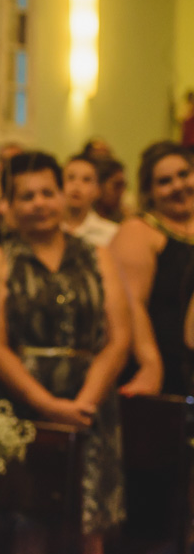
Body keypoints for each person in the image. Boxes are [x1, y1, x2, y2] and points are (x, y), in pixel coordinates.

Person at [0, 152, 130, 553]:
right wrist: (46, 404)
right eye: (26, 196)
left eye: (48, 192)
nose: (39, 203)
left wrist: (84, 403)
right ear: (8, 206)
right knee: (28, 527)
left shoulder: (97, 255)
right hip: (23, 409)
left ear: (63, 197)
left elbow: (119, 337)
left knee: (87, 523)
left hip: (90, 407)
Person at [111, 142, 194, 396]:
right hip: (165, 367)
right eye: (165, 181)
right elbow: (130, 302)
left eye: (184, 175)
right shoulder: (139, 230)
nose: (178, 186)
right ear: (149, 190)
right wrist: (150, 363)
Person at [62, 154, 120, 248]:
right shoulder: (48, 231)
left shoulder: (112, 233)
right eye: (71, 177)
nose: (77, 185)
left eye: (86, 180)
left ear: (97, 190)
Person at [94, 157, 130, 223]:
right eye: (117, 185)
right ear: (99, 186)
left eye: (124, 186)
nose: (122, 191)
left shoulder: (125, 220)